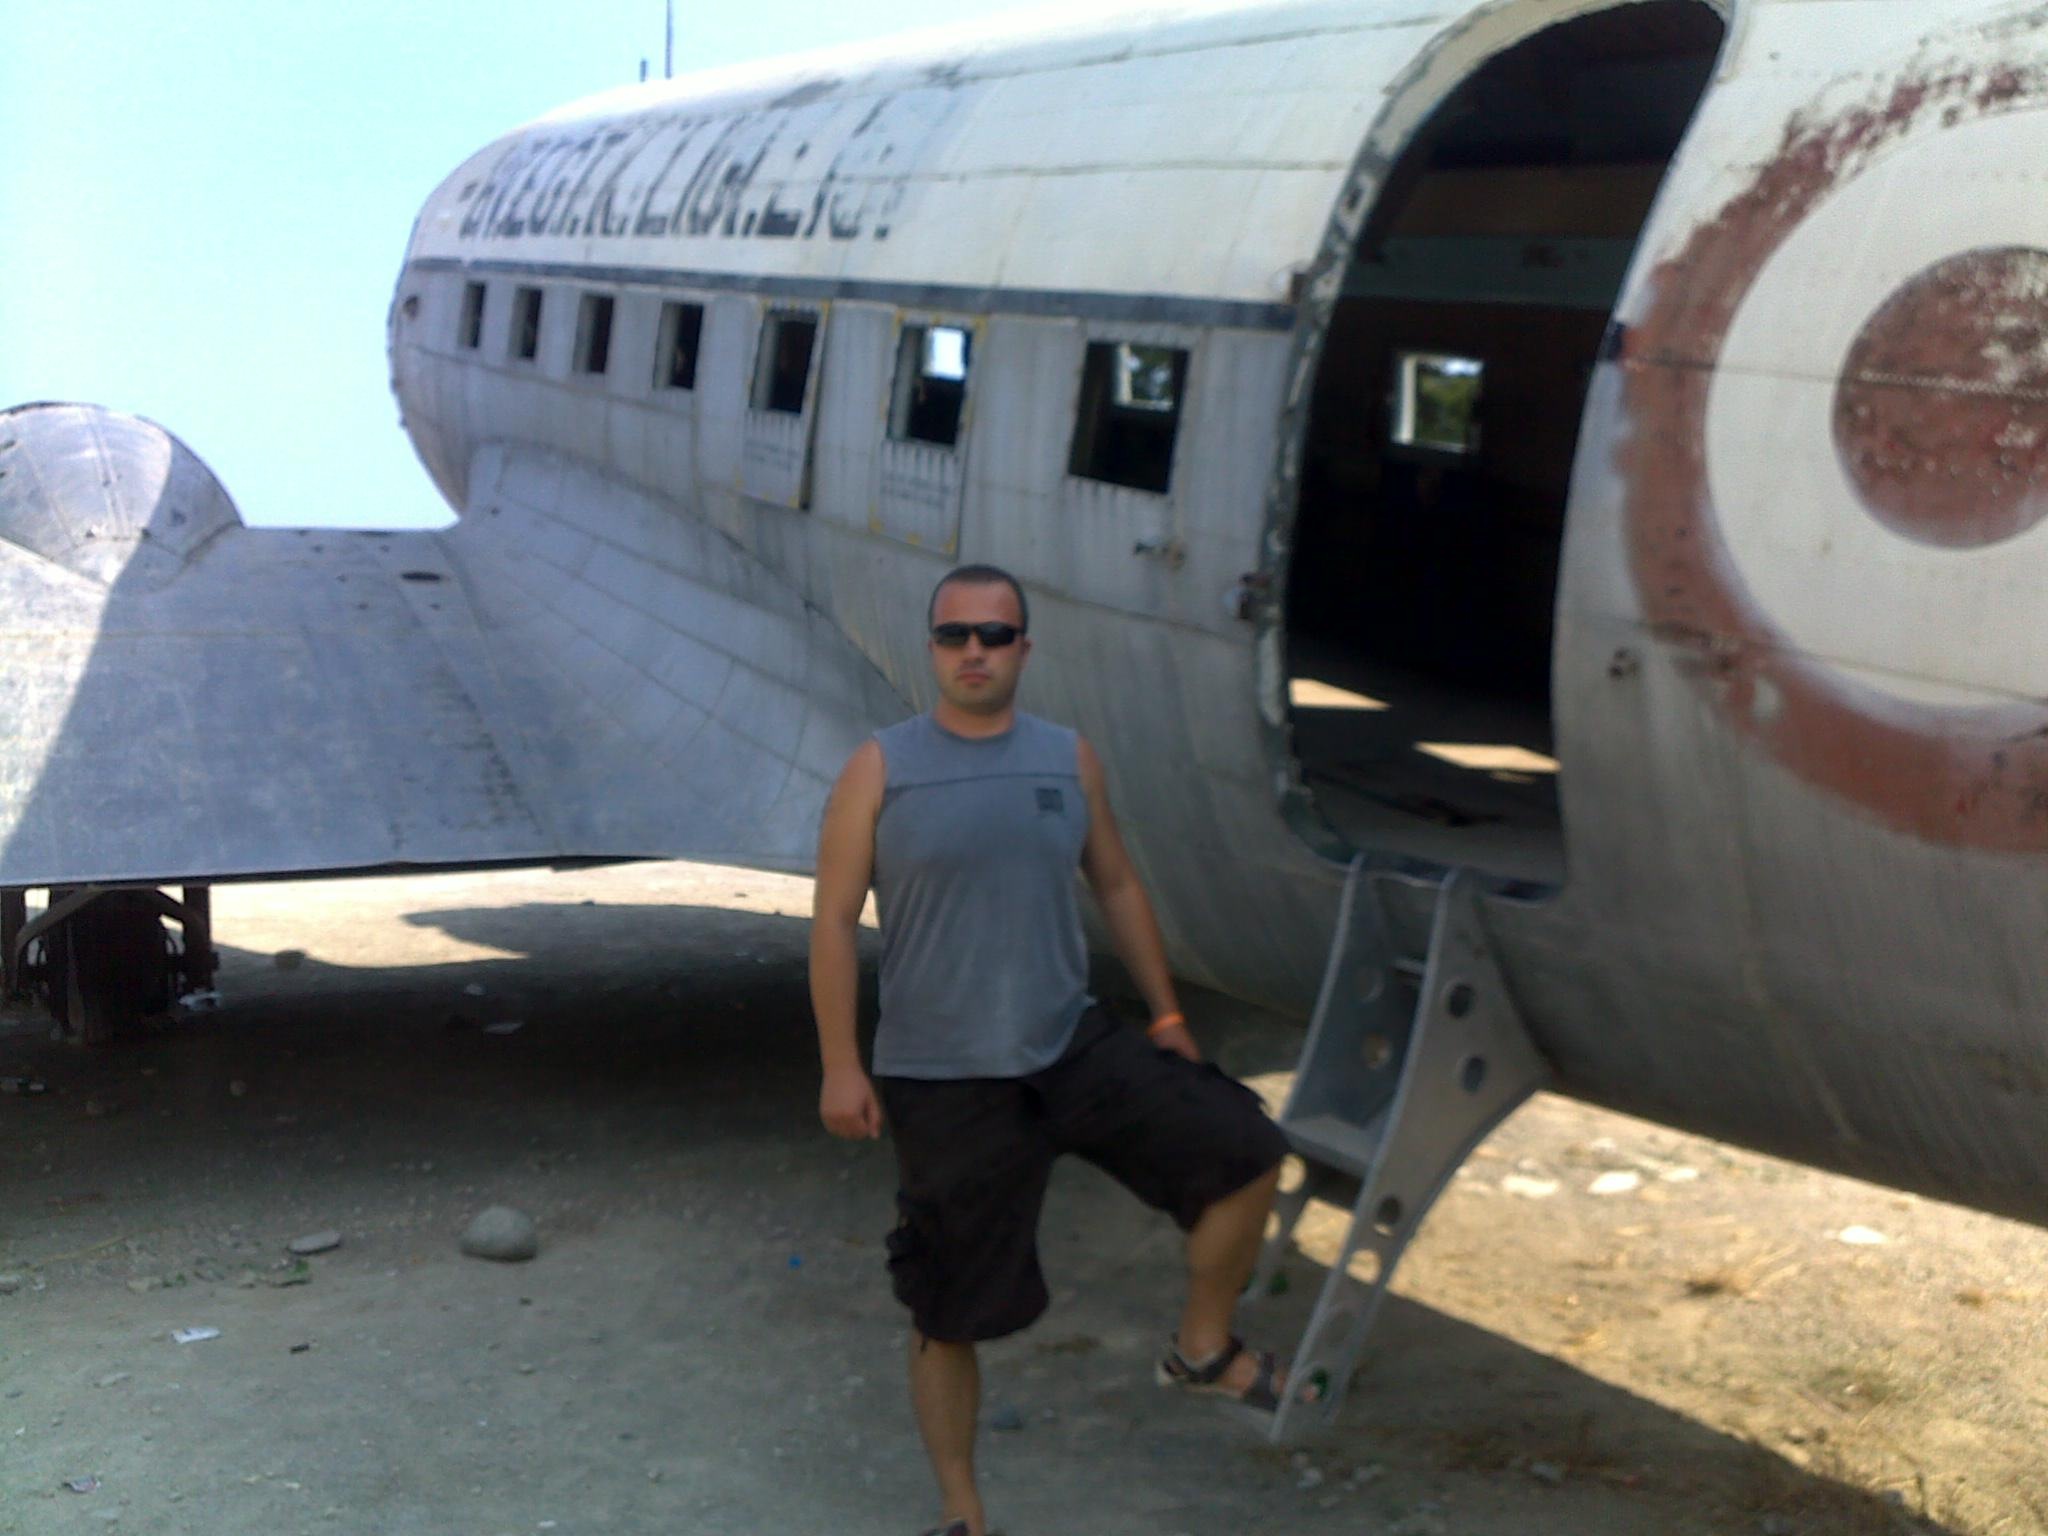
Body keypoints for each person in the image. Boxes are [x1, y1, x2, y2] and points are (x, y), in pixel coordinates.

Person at [809, 562, 1305, 1536]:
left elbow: (1115, 883)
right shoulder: (880, 766)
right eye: (954, 635)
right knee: (945, 1306)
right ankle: (962, 1513)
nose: (974, 652)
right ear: (932, 648)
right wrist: (839, 1063)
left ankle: (1202, 1349)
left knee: (1247, 1151)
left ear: (1023, 649)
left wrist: (1166, 1015)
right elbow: (831, 920)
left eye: (994, 636)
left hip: (1067, 1045)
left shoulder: (1065, 757)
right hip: (942, 1075)